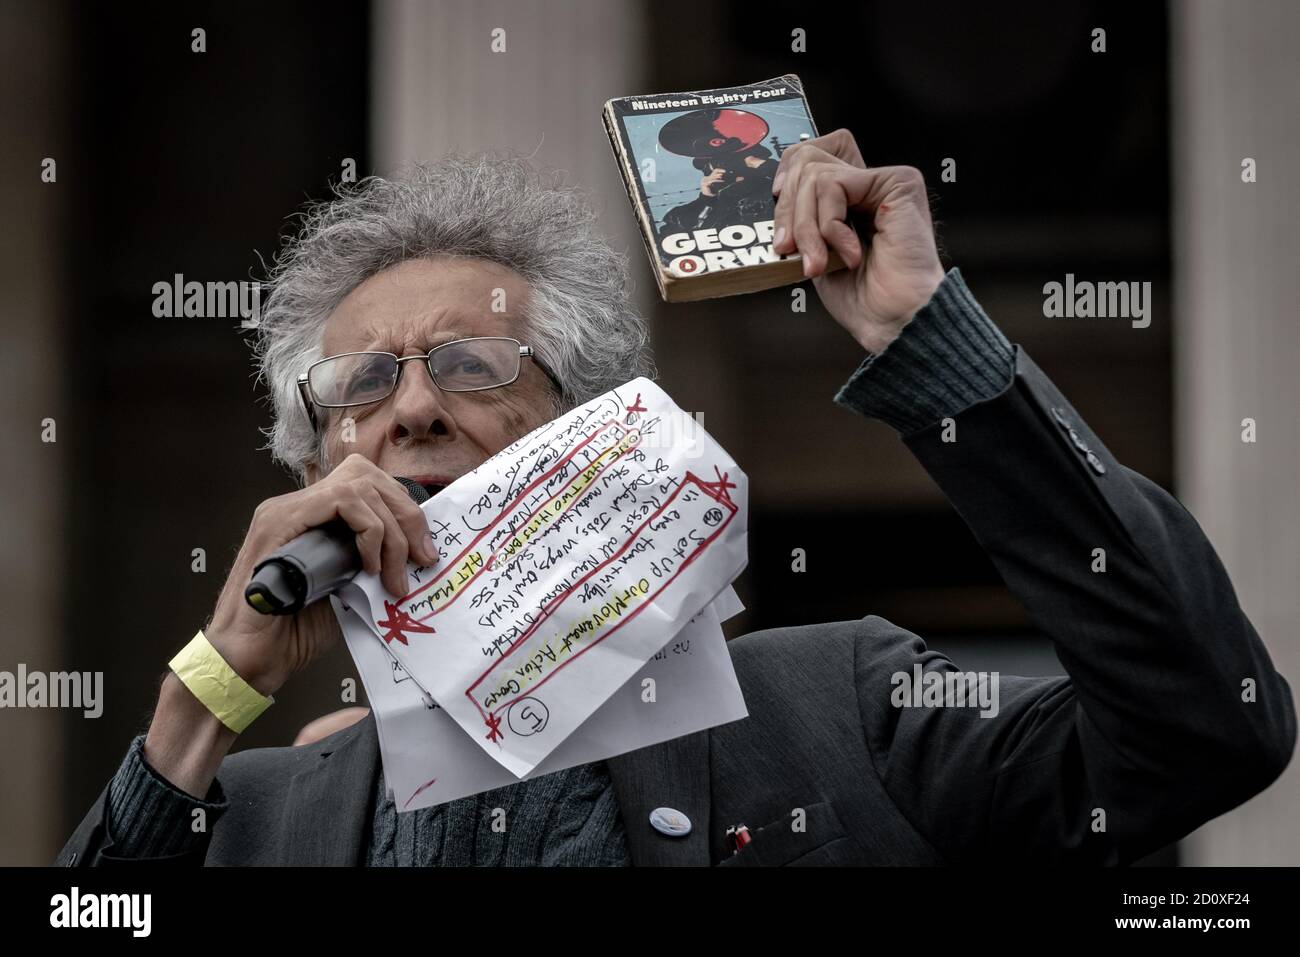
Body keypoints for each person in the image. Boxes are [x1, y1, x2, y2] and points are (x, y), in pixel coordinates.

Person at [57, 129, 1295, 867]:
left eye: (473, 363)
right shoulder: (264, 814)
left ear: (594, 427)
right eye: (361, 383)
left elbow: (1204, 733)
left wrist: (933, 346)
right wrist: (196, 709)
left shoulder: (837, 711)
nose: (411, 408)